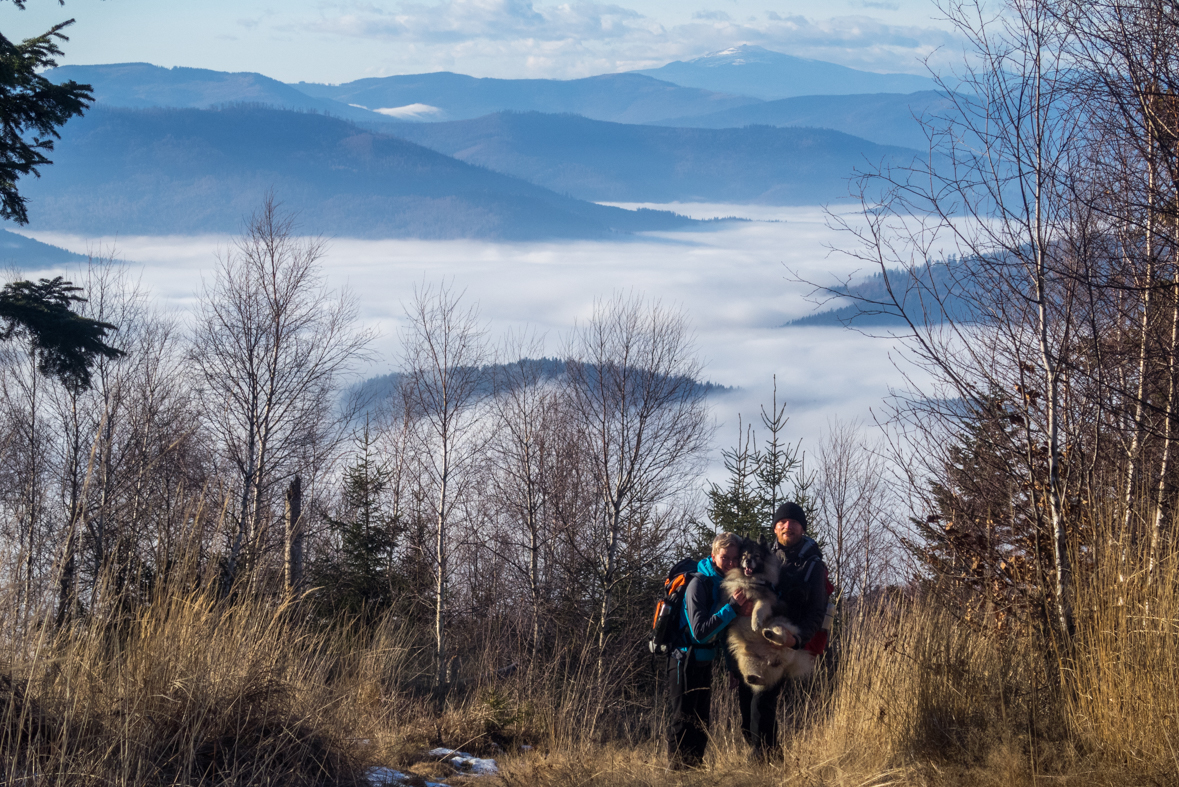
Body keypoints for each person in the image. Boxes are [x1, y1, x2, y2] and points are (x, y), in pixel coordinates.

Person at [737, 501, 828, 759]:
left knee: (762, 699)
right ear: (776, 528)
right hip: (754, 636)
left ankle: (762, 759)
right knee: (747, 701)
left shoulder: (813, 566)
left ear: (802, 527)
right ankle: (771, 754)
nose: (788, 526)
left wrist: (797, 640)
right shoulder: (766, 556)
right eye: (782, 522)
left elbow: (817, 612)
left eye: (794, 522)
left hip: (785, 641)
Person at [667, 531, 748, 768]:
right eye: (726, 558)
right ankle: (676, 776)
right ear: (713, 556)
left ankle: (694, 772)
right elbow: (700, 630)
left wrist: (731, 666)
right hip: (683, 659)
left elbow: (722, 631)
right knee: (682, 722)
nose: (731, 563)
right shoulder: (698, 583)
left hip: (704, 660)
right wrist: (732, 606)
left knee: (701, 722)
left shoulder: (722, 583)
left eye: (735, 558)